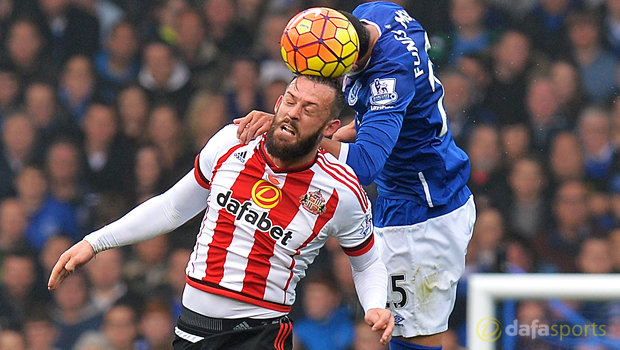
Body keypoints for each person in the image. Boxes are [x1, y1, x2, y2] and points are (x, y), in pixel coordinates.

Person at [48, 75, 394, 350]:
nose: (293, 112)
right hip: (192, 329)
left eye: (309, 109)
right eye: (290, 101)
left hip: (258, 334)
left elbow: (367, 262)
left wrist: (375, 305)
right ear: (278, 103)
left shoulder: (341, 191)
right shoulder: (233, 141)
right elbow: (172, 207)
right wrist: (95, 242)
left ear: (330, 128)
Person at [236, 3, 476, 349]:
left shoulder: (388, 81)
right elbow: (388, 118)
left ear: (347, 61)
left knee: (413, 340)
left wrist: (288, 130)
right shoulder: (377, 12)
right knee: (395, 332)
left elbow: (363, 166)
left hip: (425, 216)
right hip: (410, 197)